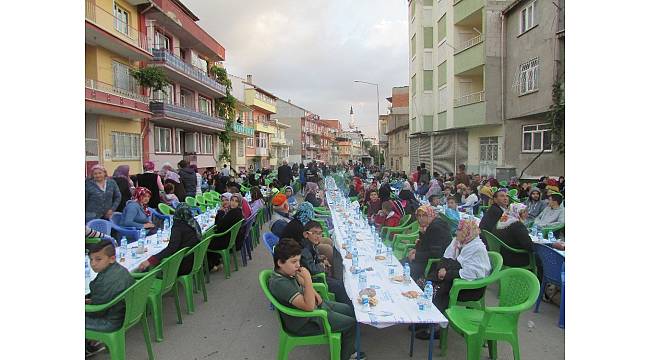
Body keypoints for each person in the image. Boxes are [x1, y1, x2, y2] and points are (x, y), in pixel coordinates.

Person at [268, 239, 365, 360]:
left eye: (298, 260)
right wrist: (308, 279)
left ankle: (347, 346)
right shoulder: (280, 283)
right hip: (304, 322)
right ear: (280, 263)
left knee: (348, 309)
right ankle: (344, 356)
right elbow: (308, 307)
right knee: (350, 324)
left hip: (313, 310)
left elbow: (311, 293)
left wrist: (311, 289)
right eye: (294, 261)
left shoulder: (287, 272)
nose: (298, 265)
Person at [419, 220, 491, 340]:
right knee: (429, 281)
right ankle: (426, 319)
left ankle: (437, 327)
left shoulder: (477, 248)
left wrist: (446, 273)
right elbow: (446, 256)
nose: (456, 232)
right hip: (456, 277)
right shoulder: (459, 241)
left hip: (470, 287)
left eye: (459, 230)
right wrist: (442, 268)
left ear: (467, 232)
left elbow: (471, 273)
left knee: (440, 288)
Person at [85, 240, 135, 354]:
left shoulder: (103, 283)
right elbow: (107, 297)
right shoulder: (121, 270)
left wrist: (89, 304)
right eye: (91, 259)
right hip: (124, 313)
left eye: (98, 259)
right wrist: (91, 301)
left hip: (111, 321)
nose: (93, 263)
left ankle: (88, 348)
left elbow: (97, 312)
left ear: (112, 258)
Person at [138, 203, 200, 275]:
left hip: (181, 265)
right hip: (194, 260)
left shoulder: (178, 226)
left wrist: (151, 260)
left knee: (153, 266)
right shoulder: (193, 223)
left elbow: (171, 248)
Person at [299, 221, 351, 306]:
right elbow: (312, 270)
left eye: (320, 233)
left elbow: (312, 260)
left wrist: (320, 259)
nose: (318, 236)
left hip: (314, 276)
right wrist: (322, 266)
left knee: (341, 282)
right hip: (312, 280)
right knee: (341, 286)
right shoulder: (305, 250)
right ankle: (346, 307)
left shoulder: (311, 245)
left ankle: (343, 303)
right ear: (306, 234)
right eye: (314, 233)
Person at [404, 205, 452, 282]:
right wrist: (415, 249)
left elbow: (436, 253)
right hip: (426, 258)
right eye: (419, 216)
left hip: (434, 263)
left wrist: (416, 255)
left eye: (424, 215)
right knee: (401, 263)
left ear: (430, 215)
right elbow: (425, 244)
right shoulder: (428, 225)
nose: (421, 218)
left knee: (403, 269)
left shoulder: (436, 227)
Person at [206, 193, 245, 269]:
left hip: (225, 240)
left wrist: (221, 212)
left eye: (236, 201)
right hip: (230, 238)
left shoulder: (233, 212)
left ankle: (211, 265)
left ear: (239, 203)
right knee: (212, 238)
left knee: (207, 243)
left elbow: (219, 226)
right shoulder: (238, 211)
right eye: (232, 200)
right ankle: (216, 263)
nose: (233, 203)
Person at [492, 203, 537, 268]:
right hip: (513, 258)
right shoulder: (517, 225)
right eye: (524, 212)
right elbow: (529, 246)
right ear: (517, 213)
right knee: (539, 259)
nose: (527, 214)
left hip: (501, 254)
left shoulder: (502, 221)